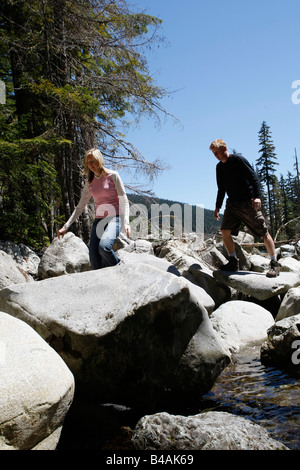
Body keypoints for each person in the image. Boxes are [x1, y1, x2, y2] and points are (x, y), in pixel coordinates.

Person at [209, 139, 280, 277]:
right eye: (214, 154)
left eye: (217, 152)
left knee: (263, 232)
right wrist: (217, 207)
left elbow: (254, 178)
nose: (216, 155)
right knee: (224, 231)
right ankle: (233, 261)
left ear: (225, 148)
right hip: (232, 204)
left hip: (247, 202)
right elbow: (221, 189)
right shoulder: (219, 167)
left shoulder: (238, 160)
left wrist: (257, 197)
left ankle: (274, 264)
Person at [58, 148, 130, 269]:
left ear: (99, 160)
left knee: (104, 247)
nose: (91, 165)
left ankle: (121, 268)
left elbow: (124, 200)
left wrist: (127, 222)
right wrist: (66, 226)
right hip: (99, 220)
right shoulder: (90, 182)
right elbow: (80, 206)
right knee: (94, 258)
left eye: (93, 161)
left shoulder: (113, 176)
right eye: (88, 162)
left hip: (115, 218)